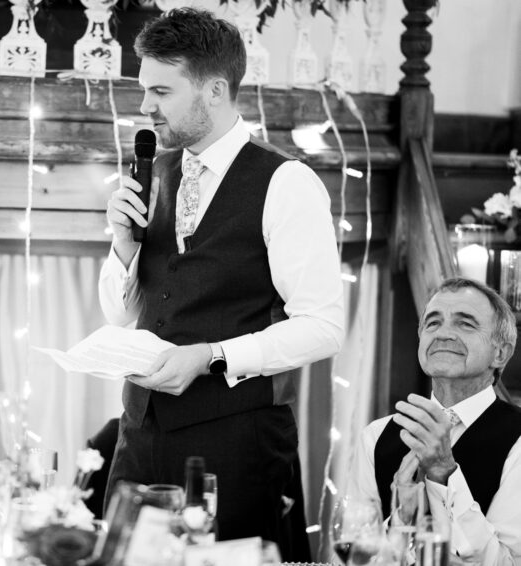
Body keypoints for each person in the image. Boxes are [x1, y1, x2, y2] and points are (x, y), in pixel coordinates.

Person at [98, 8, 344, 557]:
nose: (145, 106)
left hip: (235, 441)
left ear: (213, 89)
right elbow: (122, 316)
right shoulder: (155, 173)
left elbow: (325, 328)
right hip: (138, 434)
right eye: (144, 89)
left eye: (161, 90)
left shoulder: (286, 182)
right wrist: (122, 245)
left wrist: (210, 355)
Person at [351, 277, 521, 564]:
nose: (443, 334)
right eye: (432, 323)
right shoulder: (376, 436)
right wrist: (403, 519)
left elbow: (508, 562)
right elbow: (351, 555)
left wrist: (444, 473)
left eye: (465, 323)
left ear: (500, 353)